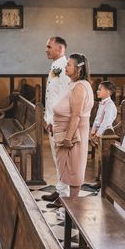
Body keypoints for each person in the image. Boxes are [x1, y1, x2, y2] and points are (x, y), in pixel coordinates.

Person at [51, 53, 94, 205]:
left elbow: (76, 115)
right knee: (68, 167)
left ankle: (73, 205)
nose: (65, 67)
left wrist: (68, 137)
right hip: (66, 131)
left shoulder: (80, 87)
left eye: (69, 64)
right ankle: (68, 202)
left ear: (79, 69)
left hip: (74, 134)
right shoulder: (74, 84)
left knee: (74, 166)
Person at [41, 36, 72, 203]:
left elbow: (64, 97)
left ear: (60, 49)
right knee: (56, 157)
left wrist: (54, 120)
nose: (46, 49)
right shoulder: (55, 66)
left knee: (62, 158)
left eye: (49, 46)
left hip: (59, 121)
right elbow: (51, 95)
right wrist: (47, 118)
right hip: (52, 120)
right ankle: (60, 190)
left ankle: (64, 195)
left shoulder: (66, 68)